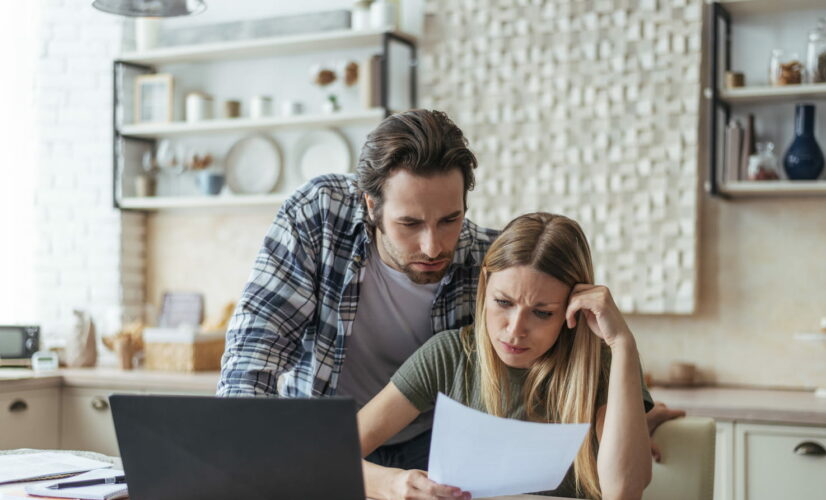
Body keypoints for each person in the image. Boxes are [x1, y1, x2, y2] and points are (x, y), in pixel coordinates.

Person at [217, 108, 682, 472]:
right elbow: (255, 350)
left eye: (450, 219)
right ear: (371, 205)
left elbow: (556, 357)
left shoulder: (488, 261)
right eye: (409, 223)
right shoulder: (319, 215)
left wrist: (621, 420)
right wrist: (234, 458)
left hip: (434, 447)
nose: (434, 245)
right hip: (326, 438)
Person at [358, 213, 653, 500]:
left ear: (571, 309)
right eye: (503, 302)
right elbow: (332, 454)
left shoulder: (602, 364)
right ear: (485, 285)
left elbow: (624, 492)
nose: (514, 331)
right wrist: (392, 484)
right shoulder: (449, 354)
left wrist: (623, 343)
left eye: (541, 312)